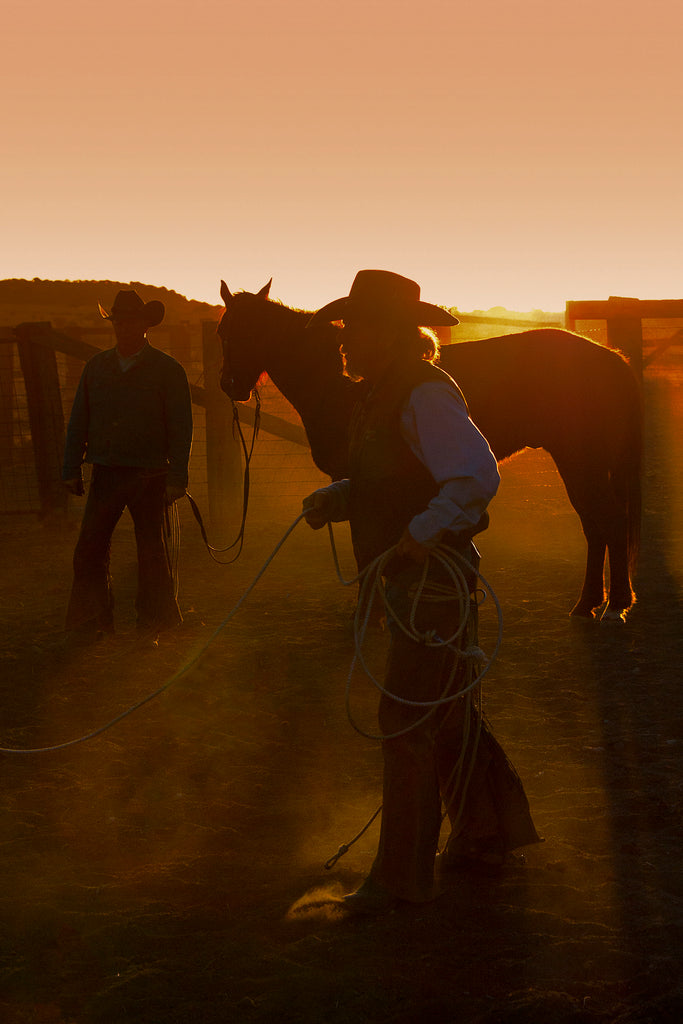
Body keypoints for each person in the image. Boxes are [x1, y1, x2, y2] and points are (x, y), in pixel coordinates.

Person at [302, 270, 540, 914]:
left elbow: (472, 478)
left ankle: (400, 883)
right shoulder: (382, 394)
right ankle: (488, 832)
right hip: (415, 578)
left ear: (389, 333)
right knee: (444, 708)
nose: (345, 341)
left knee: (404, 716)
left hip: (431, 579)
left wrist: (421, 533)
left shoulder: (424, 395)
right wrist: (342, 497)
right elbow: (392, 479)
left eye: (355, 328)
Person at [62, 289, 193, 642]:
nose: (123, 327)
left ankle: (152, 623)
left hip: (151, 473)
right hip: (107, 469)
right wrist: (71, 466)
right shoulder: (97, 367)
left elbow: (181, 427)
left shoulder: (167, 371)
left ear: (144, 326)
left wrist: (177, 476)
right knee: (89, 546)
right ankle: (92, 620)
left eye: (130, 321)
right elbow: (79, 420)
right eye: (119, 321)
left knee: (151, 550)